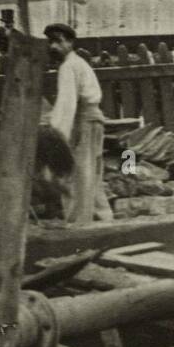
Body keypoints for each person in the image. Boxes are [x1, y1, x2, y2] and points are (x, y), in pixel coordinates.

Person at [45, 23, 112, 223]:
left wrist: (58, 137)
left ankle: (78, 224)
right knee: (91, 174)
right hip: (91, 121)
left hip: (84, 121)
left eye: (59, 41)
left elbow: (68, 104)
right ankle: (104, 219)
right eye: (50, 42)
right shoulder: (78, 63)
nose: (54, 47)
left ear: (70, 42)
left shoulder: (69, 66)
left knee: (78, 175)